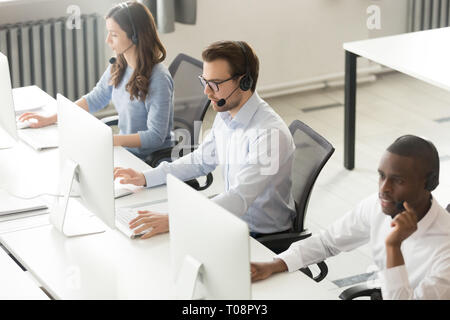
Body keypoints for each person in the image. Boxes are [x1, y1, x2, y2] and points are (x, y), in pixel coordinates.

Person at [114, 40, 297, 239]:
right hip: (232, 221)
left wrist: (174, 219)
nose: (206, 92)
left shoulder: (269, 134)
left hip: (258, 237)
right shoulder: (226, 115)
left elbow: (239, 198)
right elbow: (201, 160)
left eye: (215, 84)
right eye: (205, 81)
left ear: (245, 82)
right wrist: (146, 177)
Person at [251, 135, 450, 300]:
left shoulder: (445, 248)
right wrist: (274, 264)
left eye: (398, 180)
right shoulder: (379, 205)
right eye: (382, 176)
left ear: (430, 183)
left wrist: (393, 247)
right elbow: (327, 242)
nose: (384, 189)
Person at [18, 1, 174, 160]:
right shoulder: (119, 64)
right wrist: (50, 118)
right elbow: (96, 98)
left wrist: (109, 141)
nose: (108, 40)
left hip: (150, 159)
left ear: (135, 36)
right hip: (125, 151)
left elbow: (155, 136)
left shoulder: (159, 78)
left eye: (114, 34)